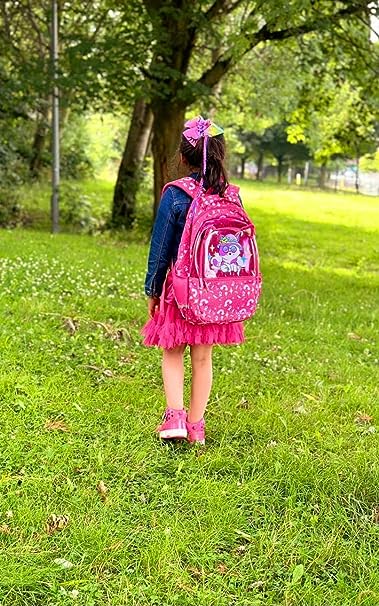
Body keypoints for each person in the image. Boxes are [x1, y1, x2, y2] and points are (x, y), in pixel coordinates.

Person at [142, 116, 245, 445]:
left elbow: (160, 250)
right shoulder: (232, 196)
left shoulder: (175, 194)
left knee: (172, 351)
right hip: (215, 293)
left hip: (181, 290)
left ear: (184, 157)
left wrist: (153, 289)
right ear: (220, 154)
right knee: (203, 358)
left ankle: (174, 417)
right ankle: (196, 427)